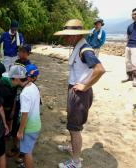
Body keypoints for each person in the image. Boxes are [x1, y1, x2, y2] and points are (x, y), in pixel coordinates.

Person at [54, 19, 105, 168]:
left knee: (74, 128)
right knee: (72, 125)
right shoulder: (80, 46)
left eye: (67, 35)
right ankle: (72, 148)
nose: (65, 38)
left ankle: (75, 162)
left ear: (75, 36)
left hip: (80, 93)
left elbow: (100, 69)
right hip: (77, 91)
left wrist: (84, 86)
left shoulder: (84, 50)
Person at [8, 65, 41, 168]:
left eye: (12, 79)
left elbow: (25, 114)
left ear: (18, 79)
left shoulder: (24, 94)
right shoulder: (32, 85)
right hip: (36, 125)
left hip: (29, 128)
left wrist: (20, 131)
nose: (11, 81)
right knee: (28, 149)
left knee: (27, 153)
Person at [122, 8, 136, 86]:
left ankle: (135, 79)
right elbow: (128, 36)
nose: (133, 15)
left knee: (134, 63)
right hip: (128, 46)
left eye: (135, 14)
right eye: (133, 14)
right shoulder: (130, 26)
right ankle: (129, 77)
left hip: (135, 47)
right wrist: (126, 45)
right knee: (127, 63)